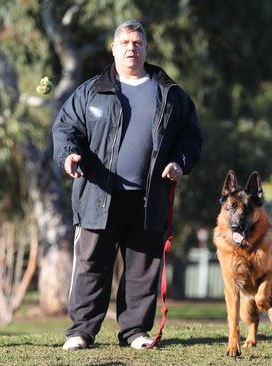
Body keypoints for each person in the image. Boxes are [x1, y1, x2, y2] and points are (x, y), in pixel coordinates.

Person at [52, 20, 202, 351]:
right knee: (92, 266)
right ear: (114, 48)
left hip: (150, 198)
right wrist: (70, 155)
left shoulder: (170, 93)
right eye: (124, 42)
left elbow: (191, 136)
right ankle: (81, 332)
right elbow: (66, 128)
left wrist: (180, 162)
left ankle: (134, 331)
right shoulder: (92, 90)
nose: (131, 48)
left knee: (142, 269)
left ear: (146, 48)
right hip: (98, 194)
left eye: (137, 42)